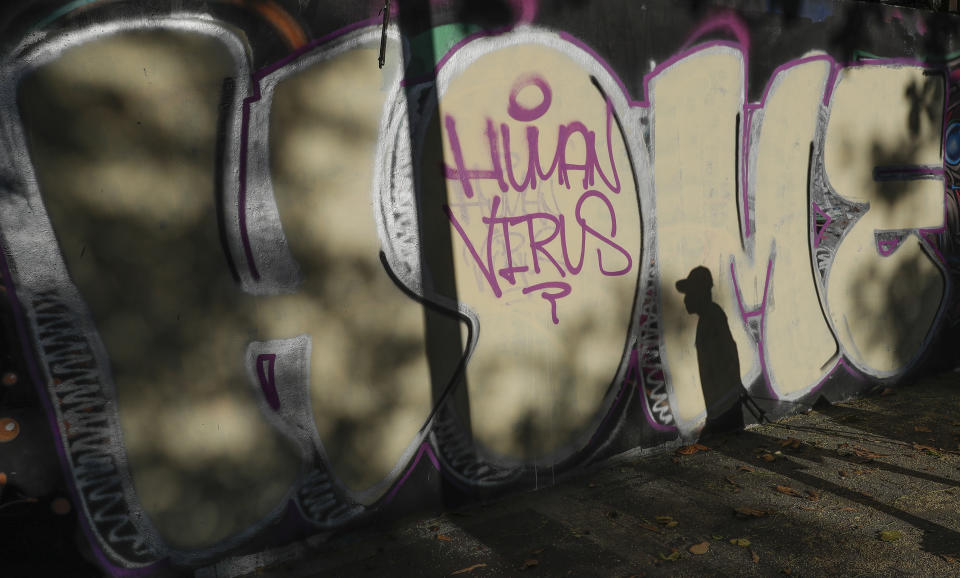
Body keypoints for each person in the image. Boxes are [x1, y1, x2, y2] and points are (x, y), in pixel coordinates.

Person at [675, 266, 744, 435]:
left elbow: (728, 355)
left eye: (690, 293)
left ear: (702, 292)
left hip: (724, 411)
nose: (686, 299)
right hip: (721, 409)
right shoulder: (709, 317)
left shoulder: (713, 317)